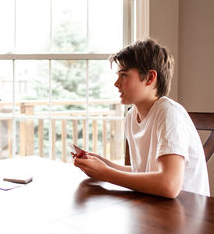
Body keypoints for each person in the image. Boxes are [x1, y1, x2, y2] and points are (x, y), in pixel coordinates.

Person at [74, 39, 210, 198]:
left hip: (187, 214)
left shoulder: (169, 113)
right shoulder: (132, 115)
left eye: (124, 75)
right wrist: (103, 165)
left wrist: (105, 173)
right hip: (155, 207)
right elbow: (142, 172)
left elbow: (169, 185)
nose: (116, 83)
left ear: (150, 77)